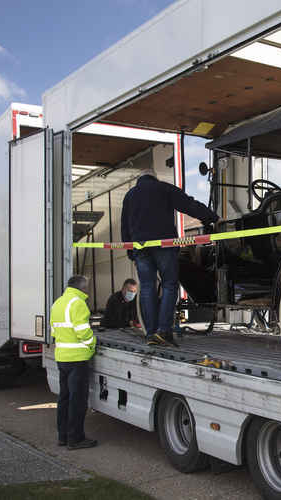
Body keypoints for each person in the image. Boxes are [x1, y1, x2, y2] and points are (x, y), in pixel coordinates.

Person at [121, 168, 218, 347]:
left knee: (148, 287)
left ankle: (150, 334)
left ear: (139, 179)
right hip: (164, 245)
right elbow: (189, 204)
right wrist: (211, 217)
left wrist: (130, 251)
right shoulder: (164, 188)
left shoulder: (130, 195)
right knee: (169, 284)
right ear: (154, 177)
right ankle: (163, 331)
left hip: (140, 247)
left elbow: (125, 226)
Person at [50, 275, 97, 450]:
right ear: (82, 288)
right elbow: (83, 332)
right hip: (77, 358)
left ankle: (62, 436)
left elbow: (54, 331)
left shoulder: (58, 303)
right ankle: (76, 439)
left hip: (62, 357)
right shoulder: (78, 303)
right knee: (77, 401)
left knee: (64, 398)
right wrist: (93, 344)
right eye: (87, 288)